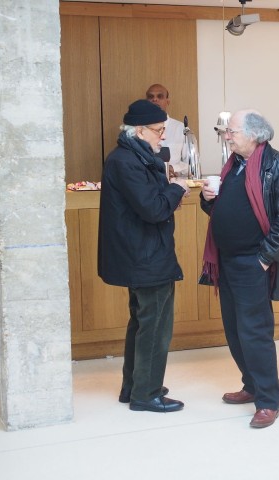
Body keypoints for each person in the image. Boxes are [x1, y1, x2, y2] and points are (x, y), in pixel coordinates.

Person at [199, 109, 279, 428]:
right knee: (234, 330)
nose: (227, 136)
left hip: (254, 262)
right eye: (227, 131)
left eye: (232, 131)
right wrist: (208, 199)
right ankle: (251, 385)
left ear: (254, 134)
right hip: (227, 260)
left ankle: (268, 400)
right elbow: (225, 209)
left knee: (255, 332)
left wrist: (264, 258)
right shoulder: (235, 165)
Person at [98, 99, 190, 413]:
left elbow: (149, 201)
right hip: (145, 256)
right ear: (139, 130)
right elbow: (153, 209)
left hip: (141, 253)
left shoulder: (131, 156)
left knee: (141, 322)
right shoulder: (127, 161)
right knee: (155, 326)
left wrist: (168, 194)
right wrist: (177, 188)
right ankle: (146, 394)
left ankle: (134, 386)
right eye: (158, 130)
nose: (163, 136)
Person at [145, 83, 188, 177]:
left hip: (173, 181)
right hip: (144, 180)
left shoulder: (181, 128)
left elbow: (190, 164)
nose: (155, 99)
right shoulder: (139, 129)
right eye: (150, 97)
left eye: (160, 96)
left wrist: (173, 168)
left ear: (167, 101)